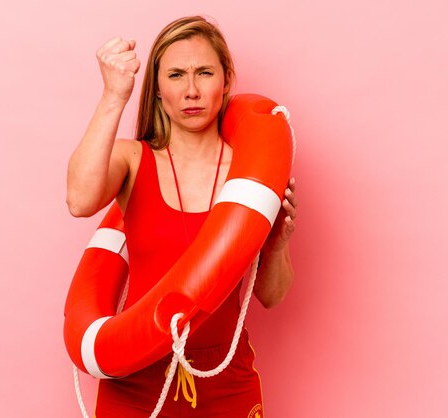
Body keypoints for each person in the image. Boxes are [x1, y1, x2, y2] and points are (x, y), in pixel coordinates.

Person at [66, 15, 298, 418]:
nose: (191, 91)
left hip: (225, 378)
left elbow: (271, 297)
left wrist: (277, 241)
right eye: (176, 75)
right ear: (157, 89)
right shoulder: (133, 159)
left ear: (225, 80)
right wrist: (113, 95)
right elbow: (79, 200)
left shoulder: (249, 177)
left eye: (204, 73)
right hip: (135, 375)